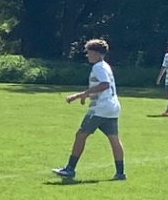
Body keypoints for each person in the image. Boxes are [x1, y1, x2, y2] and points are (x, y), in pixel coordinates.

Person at [52, 38, 124, 181]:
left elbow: (104, 85)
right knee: (114, 139)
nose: (87, 55)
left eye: (89, 52)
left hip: (100, 108)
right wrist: (85, 95)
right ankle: (120, 173)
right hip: (112, 107)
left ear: (96, 53)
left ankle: (70, 169)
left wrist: (83, 94)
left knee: (81, 135)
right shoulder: (105, 66)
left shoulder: (98, 67)